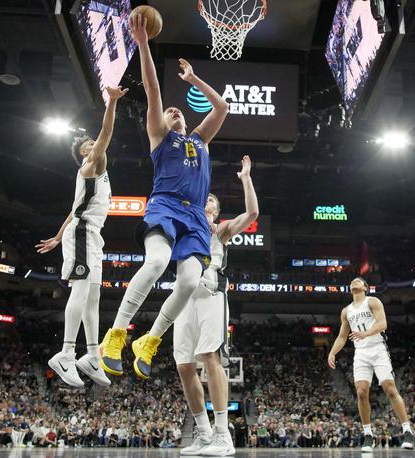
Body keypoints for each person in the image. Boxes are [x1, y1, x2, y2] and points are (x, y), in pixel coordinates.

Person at [100, 13, 229, 380]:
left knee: (189, 282)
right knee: (156, 263)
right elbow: (153, 89)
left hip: (195, 219)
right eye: (169, 111)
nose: (173, 110)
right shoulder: (161, 136)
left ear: (187, 120)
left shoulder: (199, 140)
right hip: (166, 205)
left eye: (178, 111)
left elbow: (222, 108)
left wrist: (193, 79)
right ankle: (117, 334)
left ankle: (150, 341)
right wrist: (142, 43)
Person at [36, 85, 128, 388]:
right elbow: (106, 132)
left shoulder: (99, 175)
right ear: (85, 153)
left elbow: (73, 210)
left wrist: (58, 236)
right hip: (83, 233)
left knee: (93, 295)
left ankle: (90, 355)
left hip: (87, 233)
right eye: (90, 144)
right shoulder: (91, 165)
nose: (95, 145)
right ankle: (65, 353)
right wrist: (112, 103)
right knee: (80, 291)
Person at [175, 155, 258, 456]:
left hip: (211, 294)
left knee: (210, 357)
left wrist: (245, 178)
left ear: (216, 210)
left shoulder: (220, 231)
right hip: (184, 297)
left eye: (211, 199)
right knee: (184, 366)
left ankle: (223, 434)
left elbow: (252, 212)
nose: (206, 199)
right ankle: (204, 434)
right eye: (204, 196)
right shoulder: (184, 224)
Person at [328, 278, 415, 451]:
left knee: (390, 388)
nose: (353, 282)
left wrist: (365, 333)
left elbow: (383, 324)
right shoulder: (346, 311)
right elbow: (342, 336)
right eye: (351, 281)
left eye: (358, 281)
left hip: (378, 349)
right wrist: (332, 352)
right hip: (360, 353)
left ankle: (407, 430)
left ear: (365, 288)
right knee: (361, 392)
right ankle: (368, 435)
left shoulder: (373, 301)